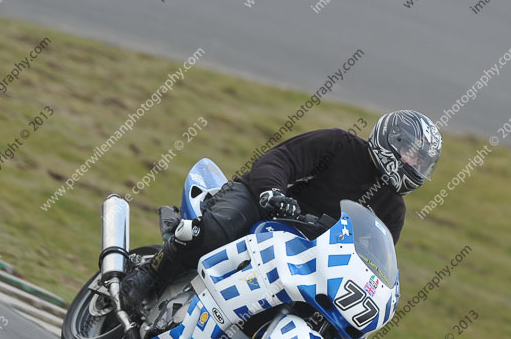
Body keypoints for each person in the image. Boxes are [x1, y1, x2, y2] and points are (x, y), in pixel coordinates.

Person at [121, 110, 442, 310]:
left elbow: (372, 260)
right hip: (264, 207)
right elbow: (280, 160)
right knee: (217, 231)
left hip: (309, 253)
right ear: (390, 138)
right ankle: (150, 274)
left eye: (421, 161)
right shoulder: (340, 145)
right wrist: (273, 193)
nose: (413, 163)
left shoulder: (393, 210)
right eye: (410, 153)